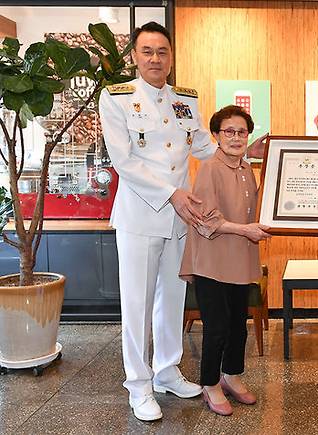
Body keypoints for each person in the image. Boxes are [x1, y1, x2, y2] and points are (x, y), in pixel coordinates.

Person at [99, 22, 216, 421]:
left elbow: (201, 143)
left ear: (170, 57)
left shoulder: (184, 99)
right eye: (147, 51)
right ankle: (138, 384)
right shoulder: (116, 99)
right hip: (140, 216)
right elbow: (124, 160)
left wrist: (238, 148)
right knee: (138, 304)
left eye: (162, 51)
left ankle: (167, 370)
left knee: (173, 297)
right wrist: (172, 193)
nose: (155, 58)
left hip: (179, 220)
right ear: (134, 56)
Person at [179, 105, 271, 416]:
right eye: (228, 132)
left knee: (237, 326)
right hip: (211, 261)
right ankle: (210, 384)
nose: (235, 137)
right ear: (217, 136)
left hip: (240, 259)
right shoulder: (210, 168)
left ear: (248, 136)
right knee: (217, 326)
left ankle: (231, 376)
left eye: (241, 132)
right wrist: (245, 230)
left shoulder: (245, 169)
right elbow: (206, 220)